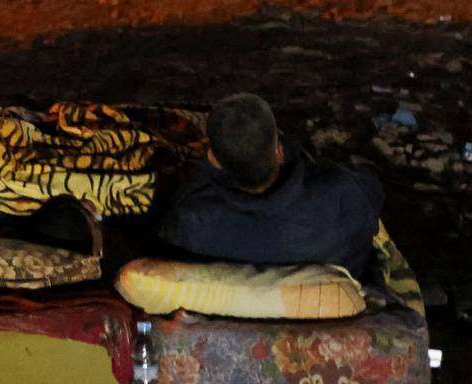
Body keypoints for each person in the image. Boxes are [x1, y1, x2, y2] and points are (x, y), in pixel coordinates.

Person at [159, 93, 384, 278]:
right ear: (278, 150)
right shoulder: (342, 193)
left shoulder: (189, 221)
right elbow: (374, 191)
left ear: (214, 160)